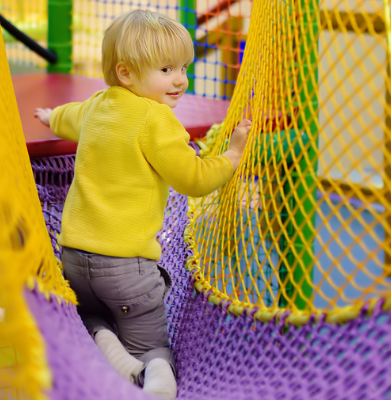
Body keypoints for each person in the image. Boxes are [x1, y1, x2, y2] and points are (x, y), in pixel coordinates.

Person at [33, 9, 251, 399]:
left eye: (183, 67)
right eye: (166, 69)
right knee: (153, 348)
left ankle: (112, 350)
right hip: (126, 270)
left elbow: (68, 118)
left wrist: (50, 117)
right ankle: (151, 380)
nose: (180, 80)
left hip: (73, 258)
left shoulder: (99, 105)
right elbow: (194, 179)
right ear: (126, 73)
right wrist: (231, 157)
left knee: (91, 317)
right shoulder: (157, 121)